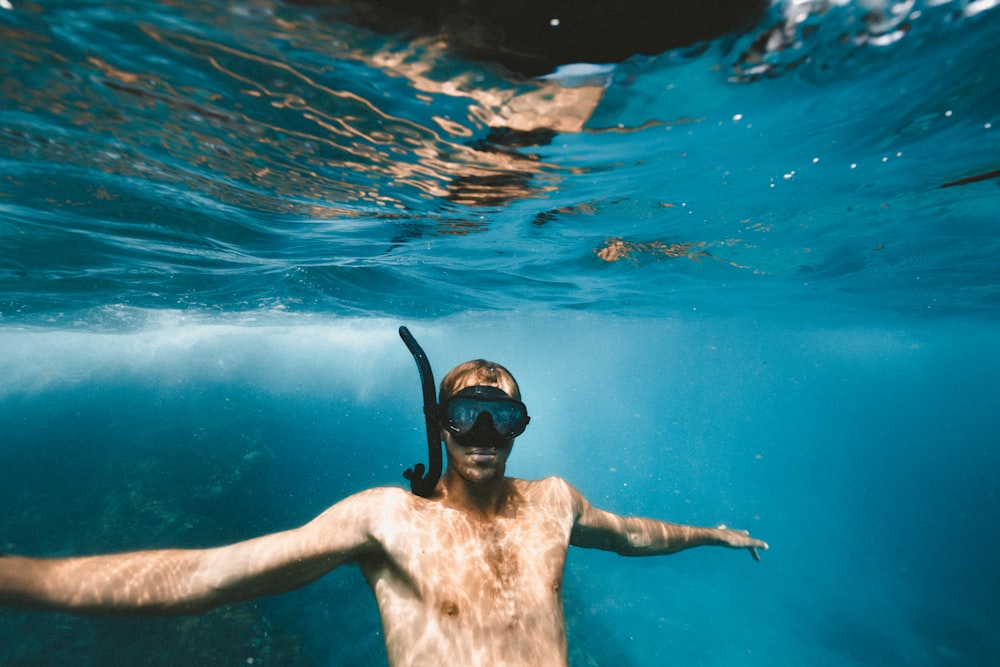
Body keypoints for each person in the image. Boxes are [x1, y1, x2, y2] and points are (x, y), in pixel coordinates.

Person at [0, 358, 767, 667]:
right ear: (439, 423)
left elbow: (630, 533)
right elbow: (203, 576)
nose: (485, 435)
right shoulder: (387, 520)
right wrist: (20, 579)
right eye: (467, 414)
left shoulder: (553, 502)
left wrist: (709, 534)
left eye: (503, 416)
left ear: (524, 425)